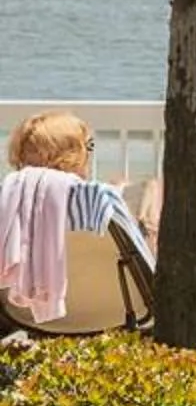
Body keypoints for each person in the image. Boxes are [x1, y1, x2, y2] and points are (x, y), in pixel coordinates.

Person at [0, 111, 152, 325]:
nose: (89, 153)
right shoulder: (99, 199)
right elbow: (145, 266)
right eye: (88, 146)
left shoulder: (6, 201)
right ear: (70, 153)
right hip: (119, 310)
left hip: (24, 316)